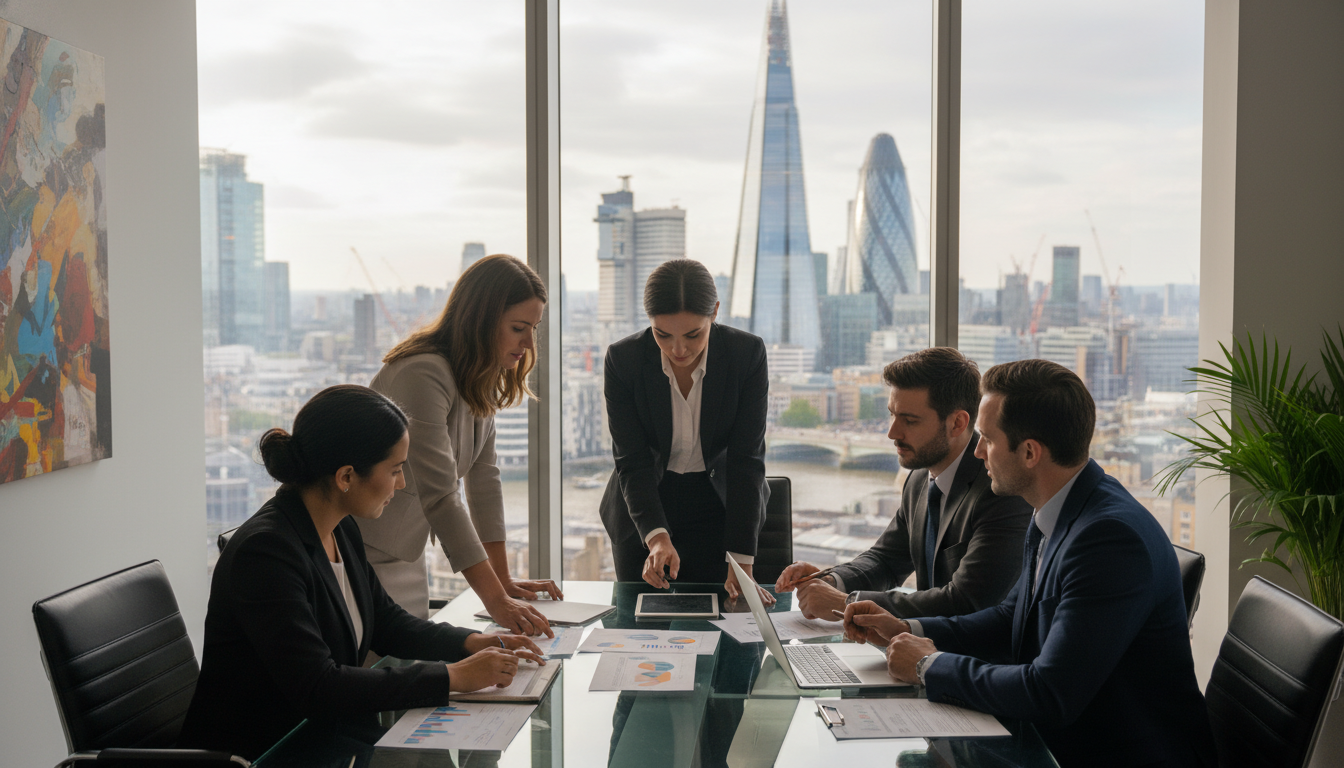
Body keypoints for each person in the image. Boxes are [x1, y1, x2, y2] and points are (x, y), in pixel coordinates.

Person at [843, 360, 1216, 768]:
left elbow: (1049, 691)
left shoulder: (1108, 540)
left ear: (1030, 452)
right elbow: (1009, 619)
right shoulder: (1059, 510)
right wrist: (908, 628)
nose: (977, 450)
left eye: (986, 438)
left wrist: (927, 665)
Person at [178, 385, 544, 759]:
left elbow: (386, 622)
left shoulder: (339, 526)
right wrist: (455, 677)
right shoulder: (266, 553)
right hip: (265, 751)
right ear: (346, 476)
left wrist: (472, 643)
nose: (401, 484)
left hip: (329, 739)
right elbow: (319, 686)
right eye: (396, 470)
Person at [360, 254, 560, 636]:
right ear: (482, 320)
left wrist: (503, 582)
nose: (529, 342)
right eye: (519, 327)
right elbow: (441, 494)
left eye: (533, 328)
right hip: (362, 554)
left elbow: (484, 482)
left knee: (402, 669)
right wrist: (496, 600)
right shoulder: (423, 373)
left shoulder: (478, 374)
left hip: (404, 551)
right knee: (379, 674)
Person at [775, 347, 1031, 621]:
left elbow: (966, 600)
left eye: (909, 420)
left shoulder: (1001, 490)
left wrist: (848, 602)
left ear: (957, 423)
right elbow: (885, 560)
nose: (892, 433)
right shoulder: (920, 478)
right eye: (892, 415)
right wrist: (832, 580)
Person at [600, 259, 772, 601]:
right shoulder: (624, 360)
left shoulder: (746, 355)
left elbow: (746, 460)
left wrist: (741, 559)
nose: (678, 349)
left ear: (715, 313)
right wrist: (656, 536)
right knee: (640, 634)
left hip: (719, 506)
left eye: (694, 334)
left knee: (725, 625)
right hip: (644, 507)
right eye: (662, 334)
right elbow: (631, 461)